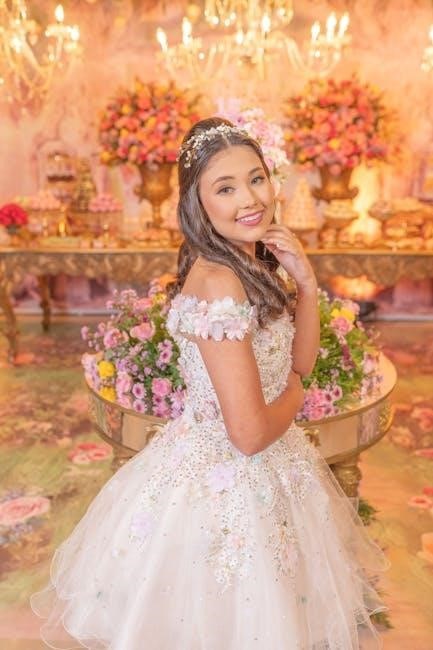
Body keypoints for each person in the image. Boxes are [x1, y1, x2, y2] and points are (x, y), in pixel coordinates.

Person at [31, 117, 387, 649]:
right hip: (229, 485)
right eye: (225, 188)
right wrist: (295, 391)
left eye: (256, 178)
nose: (250, 199)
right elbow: (249, 434)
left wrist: (307, 282)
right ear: (197, 204)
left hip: (275, 466)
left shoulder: (252, 262)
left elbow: (303, 359)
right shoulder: (220, 283)